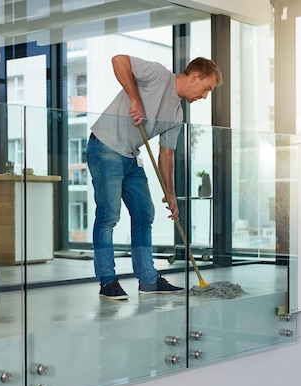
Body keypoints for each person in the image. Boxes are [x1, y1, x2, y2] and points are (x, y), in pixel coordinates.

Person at [88, 55, 222, 300]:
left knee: (144, 214)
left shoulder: (176, 113)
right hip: (105, 146)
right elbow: (119, 60)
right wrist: (135, 99)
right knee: (109, 216)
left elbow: (166, 155)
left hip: (130, 155)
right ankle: (108, 282)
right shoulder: (159, 75)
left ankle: (148, 280)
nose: (204, 96)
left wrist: (170, 193)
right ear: (194, 77)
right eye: (206, 89)